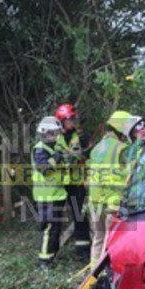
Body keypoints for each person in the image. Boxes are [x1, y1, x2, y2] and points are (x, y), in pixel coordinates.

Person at [87, 110, 134, 266]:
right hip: (112, 201)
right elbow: (133, 170)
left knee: (98, 238)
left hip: (94, 201)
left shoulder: (96, 148)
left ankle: (92, 273)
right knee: (109, 239)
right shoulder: (122, 148)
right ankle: (102, 275)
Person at [54, 103, 91, 259]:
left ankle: (82, 250)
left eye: (74, 119)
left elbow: (87, 156)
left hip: (77, 183)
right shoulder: (54, 137)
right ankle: (50, 251)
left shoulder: (82, 136)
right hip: (61, 184)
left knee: (80, 216)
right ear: (61, 121)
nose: (73, 122)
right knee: (55, 219)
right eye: (70, 119)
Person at [32, 116, 67, 270]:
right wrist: (55, 159)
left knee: (55, 228)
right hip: (46, 196)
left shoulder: (54, 148)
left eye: (57, 133)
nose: (56, 136)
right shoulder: (40, 149)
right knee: (47, 228)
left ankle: (51, 255)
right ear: (45, 133)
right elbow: (44, 169)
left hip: (57, 194)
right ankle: (43, 260)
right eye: (54, 133)